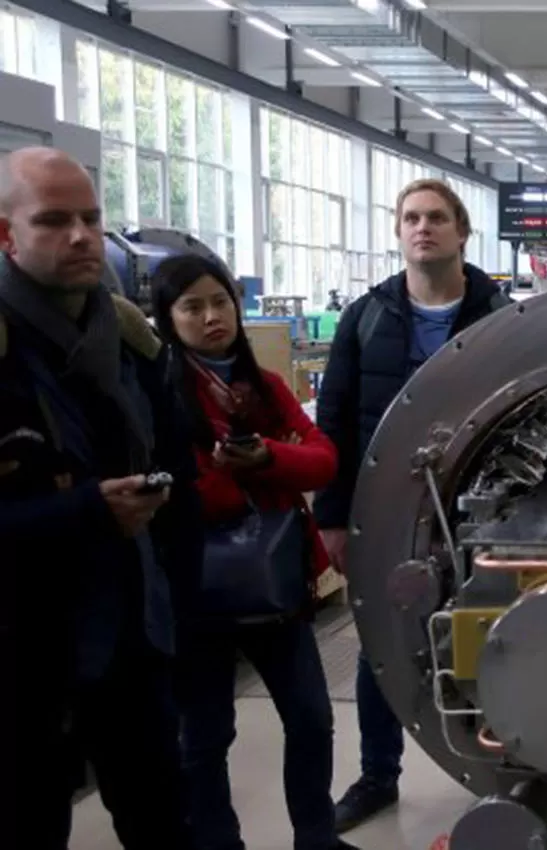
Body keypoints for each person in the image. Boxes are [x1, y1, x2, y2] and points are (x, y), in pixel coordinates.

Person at [0, 147, 201, 849]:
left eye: (91, 217)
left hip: (133, 638)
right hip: (29, 652)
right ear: (7, 235)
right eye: (55, 221)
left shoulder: (131, 340)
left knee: (160, 819)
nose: (82, 236)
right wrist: (84, 511)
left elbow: (179, 466)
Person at [315, 177, 511, 832]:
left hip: (483, 513)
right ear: (398, 231)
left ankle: (501, 772)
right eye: (409, 218)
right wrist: (333, 518)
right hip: (388, 511)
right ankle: (378, 774)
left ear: (461, 231)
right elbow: (335, 423)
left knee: (494, 638)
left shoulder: (501, 315)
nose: (421, 228)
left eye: (435, 217)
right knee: (381, 644)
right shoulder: (366, 318)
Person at [150, 254, 357, 850]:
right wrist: (261, 469)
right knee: (206, 735)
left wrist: (267, 456)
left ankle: (316, 837)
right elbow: (180, 483)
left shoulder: (262, 385)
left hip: (276, 583)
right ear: (168, 317)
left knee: (312, 719)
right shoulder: (159, 389)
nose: (212, 317)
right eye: (192, 307)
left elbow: (324, 459)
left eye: (220, 302)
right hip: (195, 588)